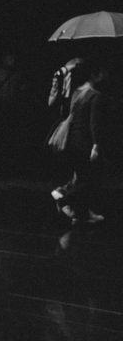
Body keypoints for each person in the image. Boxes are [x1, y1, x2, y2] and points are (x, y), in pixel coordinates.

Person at [53, 60, 111, 225]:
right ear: (95, 75)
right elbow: (95, 124)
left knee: (81, 177)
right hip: (85, 143)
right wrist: (96, 145)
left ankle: (81, 214)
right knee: (90, 179)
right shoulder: (95, 96)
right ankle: (63, 197)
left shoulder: (77, 92)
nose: (105, 76)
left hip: (73, 140)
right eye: (102, 73)